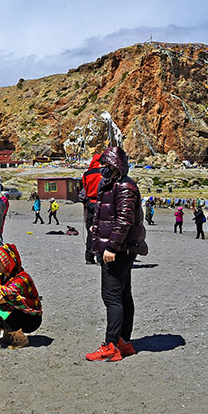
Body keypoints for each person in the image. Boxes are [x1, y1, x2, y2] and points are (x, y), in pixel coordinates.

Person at [86, 146, 146, 362]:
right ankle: (123, 341)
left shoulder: (124, 187)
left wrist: (111, 247)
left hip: (119, 249)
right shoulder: (113, 184)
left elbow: (124, 220)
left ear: (116, 166)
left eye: (106, 166)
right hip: (118, 247)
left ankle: (110, 344)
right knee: (122, 294)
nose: (103, 169)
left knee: (111, 296)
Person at [79, 151, 104, 264]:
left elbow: (85, 187)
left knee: (90, 230)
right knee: (101, 231)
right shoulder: (104, 172)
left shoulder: (86, 174)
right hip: (102, 203)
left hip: (89, 203)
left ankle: (89, 257)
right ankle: (100, 257)